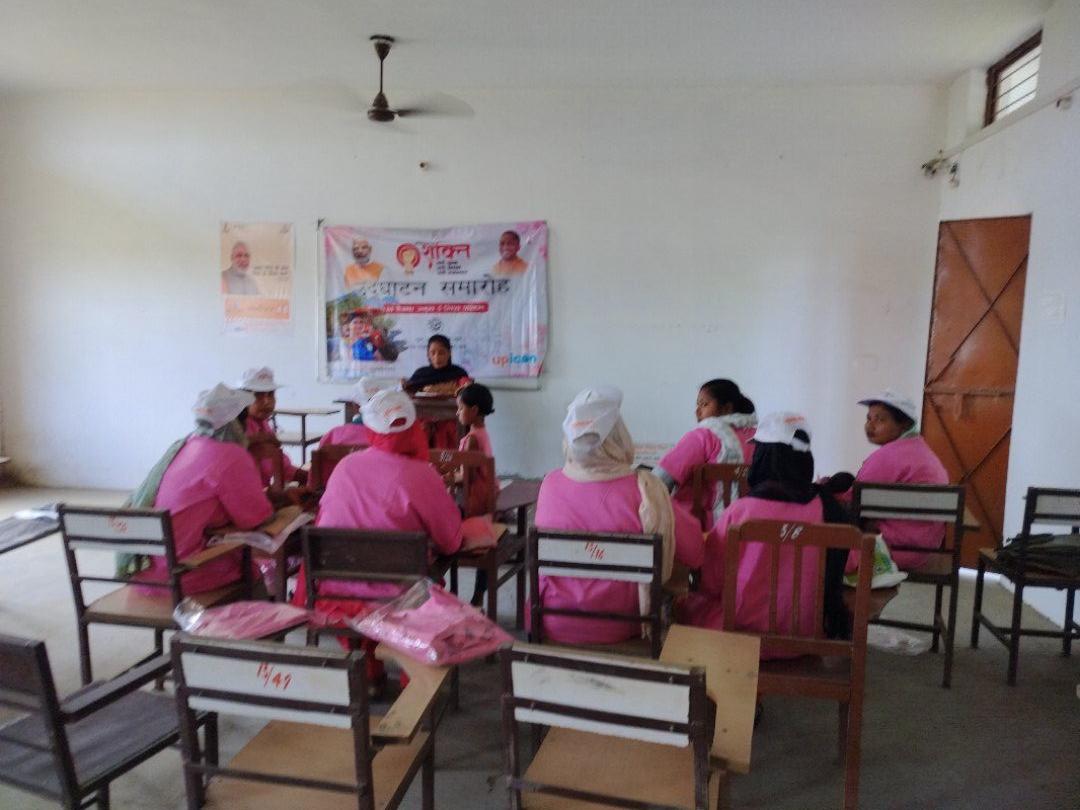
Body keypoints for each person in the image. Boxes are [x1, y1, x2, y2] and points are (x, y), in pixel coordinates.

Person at [292, 389, 463, 692]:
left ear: (369, 430)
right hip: (400, 596)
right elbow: (450, 541)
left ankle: (368, 670)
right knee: (426, 585)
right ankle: (415, 683)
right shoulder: (422, 474)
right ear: (415, 428)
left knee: (362, 582)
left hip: (336, 589)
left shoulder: (345, 467)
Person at [533, 386, 705, 646]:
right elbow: (695, 552)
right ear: (619, 437)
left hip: (552, 619)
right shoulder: (646, 490)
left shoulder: (550, 483)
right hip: (624, 624)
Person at [679, 412, 850, 656]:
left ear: (761, 457)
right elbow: (849, 564)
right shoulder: (828, 508)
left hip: (740, 636)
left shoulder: (741, 511)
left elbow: (710, 580)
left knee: (684, 605)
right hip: (806, 637)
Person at [128, 384, 273, 595]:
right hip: (182, 574)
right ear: (238, 422)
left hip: (147, 569)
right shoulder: (231, 455)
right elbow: (255, 518)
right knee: (252, 571)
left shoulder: (186, 445)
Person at [832, 390, 949, 571]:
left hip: (889, 550)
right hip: (924, 549)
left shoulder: (888, 456)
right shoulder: (921, 449)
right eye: (869, 418)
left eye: (880, 420)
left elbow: (853, 500)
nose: (870, 425)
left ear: (904, 424)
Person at [653, 379, 758, 529]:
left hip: (696, 527)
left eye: (704, 404)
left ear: (726, 408)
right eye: (698, 405)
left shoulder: (703, 436)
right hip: (746, 525)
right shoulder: (758, 438)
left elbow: (659, 480)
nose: (697, 411)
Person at [454, 383, 498, 606]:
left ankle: (460, 593)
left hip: (475, 500)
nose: (457, 413)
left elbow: (465, 477)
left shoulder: (471, 439)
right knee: (484, 543)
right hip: (487, 495)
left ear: (474, 410)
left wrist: (444, 476)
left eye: (460, 408)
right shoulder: (483, 433)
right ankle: (478, 596)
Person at [236, 367, 307, 487]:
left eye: (270, 394)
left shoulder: (263, 424)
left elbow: (280, 465)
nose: (267, 401)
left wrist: (308, 476)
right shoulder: (236, 426)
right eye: (258, 395)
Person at [403, 334, 472, 448]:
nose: (437, 357)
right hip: (425, 420)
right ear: (428, 354)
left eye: (441, 353)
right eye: (433, 353)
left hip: (452, 420)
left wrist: (467, 384)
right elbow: (409, 391)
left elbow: (466, 385)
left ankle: (449, 459)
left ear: (449, 353)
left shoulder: (458, 372)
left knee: (447, 447)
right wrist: (405, 385)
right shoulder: (421, 374)